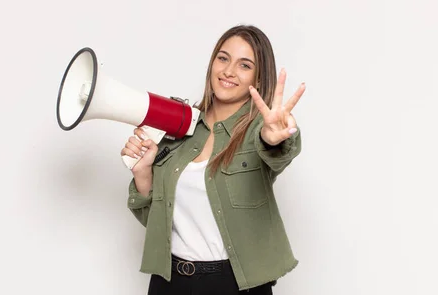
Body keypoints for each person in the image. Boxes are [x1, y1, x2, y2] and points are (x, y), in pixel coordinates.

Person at [121, 24, 305, 295]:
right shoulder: (180, 126)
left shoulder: (259, 131)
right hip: (170, 282)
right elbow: (157, 222)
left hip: (235, 285)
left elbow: (280, 152)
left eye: (245, 65)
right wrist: (143, 174)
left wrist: (275, 135)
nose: (229, 71)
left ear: (259, 77)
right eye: (223, 58)